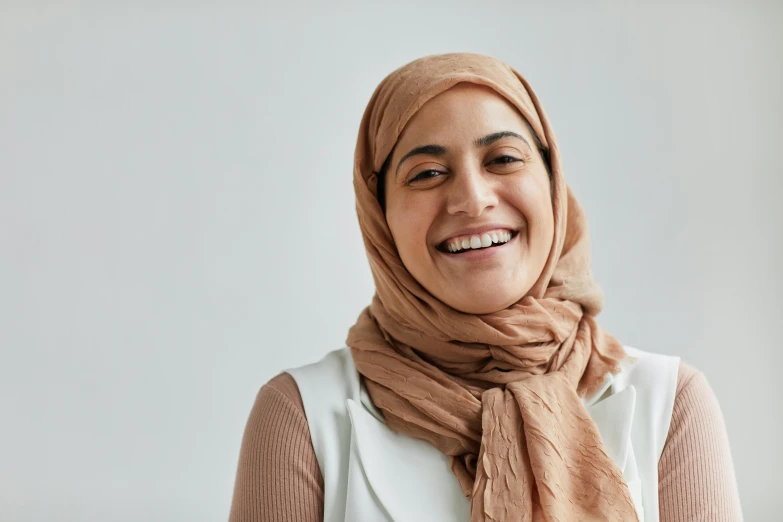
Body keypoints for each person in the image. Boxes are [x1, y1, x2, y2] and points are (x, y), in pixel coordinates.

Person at [228, 53, 743, 522]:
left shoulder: (670, 403)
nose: (472, 200)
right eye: (427, 172)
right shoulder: (301, 416)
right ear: (379, 215)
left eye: (503, 159)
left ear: (552, 184)